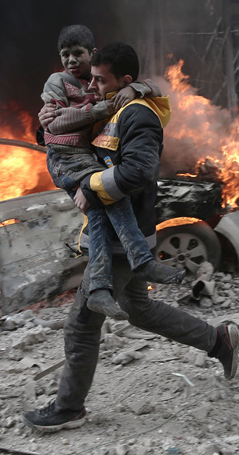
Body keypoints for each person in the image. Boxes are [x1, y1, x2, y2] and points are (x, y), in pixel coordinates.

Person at [24, 42, 239, 433]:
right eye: (91, 78)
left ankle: (69, 408)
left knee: (81, 324)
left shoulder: (138, 115)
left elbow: (138, 172)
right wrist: (47, 123)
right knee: (138, 308)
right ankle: (217, 341)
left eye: (99, 79)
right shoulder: (113, 105)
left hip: (125, 241)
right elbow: (79, 137)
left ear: (123, 80)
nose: (91, 85)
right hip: (119, 234)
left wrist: (90, 189)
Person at [41, 25, 184, 321]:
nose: (71, 60)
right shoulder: (64, 83)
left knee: (135, 309)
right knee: (97, 321)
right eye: (65, 55)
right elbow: (52, 125)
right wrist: (45, 125)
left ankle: (217, 339)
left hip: (124, 224)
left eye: (77, 54)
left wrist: (136, 89)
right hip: (69, 159)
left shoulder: (132, 110)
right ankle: (126, 272)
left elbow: (136, 169)